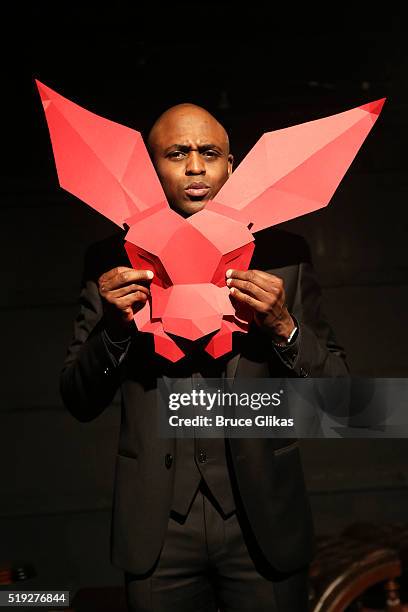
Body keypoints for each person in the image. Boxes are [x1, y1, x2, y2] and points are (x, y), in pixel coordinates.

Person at [60, 103, 348, 611]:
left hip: (261, 521)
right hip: (158, 529)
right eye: (177, 154)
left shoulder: (284, 256)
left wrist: (283, 325)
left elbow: (344, 403)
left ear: (231, 167)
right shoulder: (109, 263)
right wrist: (114, 329)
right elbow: (79, 399)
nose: (195, 167)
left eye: (209, 154)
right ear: (149, 172)